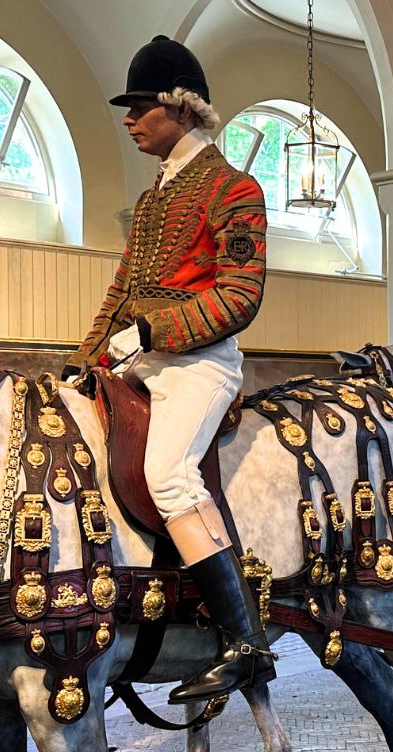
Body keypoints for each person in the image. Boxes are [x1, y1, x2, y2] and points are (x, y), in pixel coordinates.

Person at [80, 35, 273, 704]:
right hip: (137, 359)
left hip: (199, 365)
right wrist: (84, 363)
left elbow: (242, 292)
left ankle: (246, 641)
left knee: (167, 474)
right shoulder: (155, 195)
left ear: (180, 108)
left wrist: (155, 330)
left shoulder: (234, 187)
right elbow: (120, 289)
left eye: (139, 108)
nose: (129, 120)